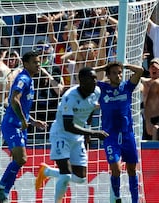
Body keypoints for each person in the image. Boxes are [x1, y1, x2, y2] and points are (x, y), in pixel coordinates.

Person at [34, 67, 108, 203]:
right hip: (61, 134)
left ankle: (47, 172)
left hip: (77, 136)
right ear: (82, 81)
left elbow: (90, 108)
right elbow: (69, 126)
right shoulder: (70, 97)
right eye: (91, 79)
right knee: (66, 175)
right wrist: (93, 133)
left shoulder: (96, 92)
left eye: (95, 78)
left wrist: (87, 128)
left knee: (80, 178)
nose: (95, 81)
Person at [0, 51, 47, 203]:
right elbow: (14, 100)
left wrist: (33, 121)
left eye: (39, 62)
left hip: (20, 125)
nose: (38, 65)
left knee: (19, 160)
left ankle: (3, 192)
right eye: (35, 62)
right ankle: (1, 187)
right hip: (12, 125)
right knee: (21, 158)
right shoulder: (23, 78)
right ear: (26, 64)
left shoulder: (30, 79)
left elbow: (23, 105)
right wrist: (23, 120)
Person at [94, 61, 144, 203]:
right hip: (110, 136)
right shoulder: (102, 88)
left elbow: (140, 71)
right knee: (116, 168)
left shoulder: (127, 87)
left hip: (127, 134)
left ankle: (135, 200)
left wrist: (125, 65)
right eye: (115, 73)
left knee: (132, 170)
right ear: (108, 75)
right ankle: (117, 198)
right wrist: (103, 67)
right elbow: (85, 73)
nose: (118, 75)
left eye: (120, 72)